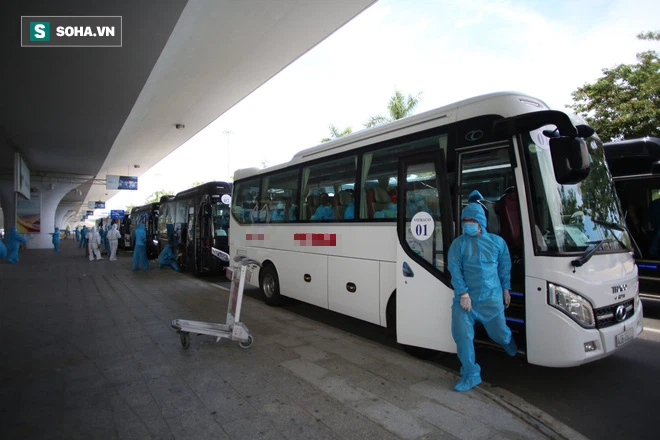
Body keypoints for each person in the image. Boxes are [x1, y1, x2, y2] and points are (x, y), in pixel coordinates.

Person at [447, 191, 517, 392]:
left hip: (491, 299)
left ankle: (507, 341)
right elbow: (454, 269)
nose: (467, 224)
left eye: (471, 220)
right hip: (465, 301)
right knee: (462, 336)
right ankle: (471, 374)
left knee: (499, 334)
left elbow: (504, 267)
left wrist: (506, 289)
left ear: (481, 222)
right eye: (465, 220)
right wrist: (463, 293)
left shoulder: (497, 243)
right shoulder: (458, 244)